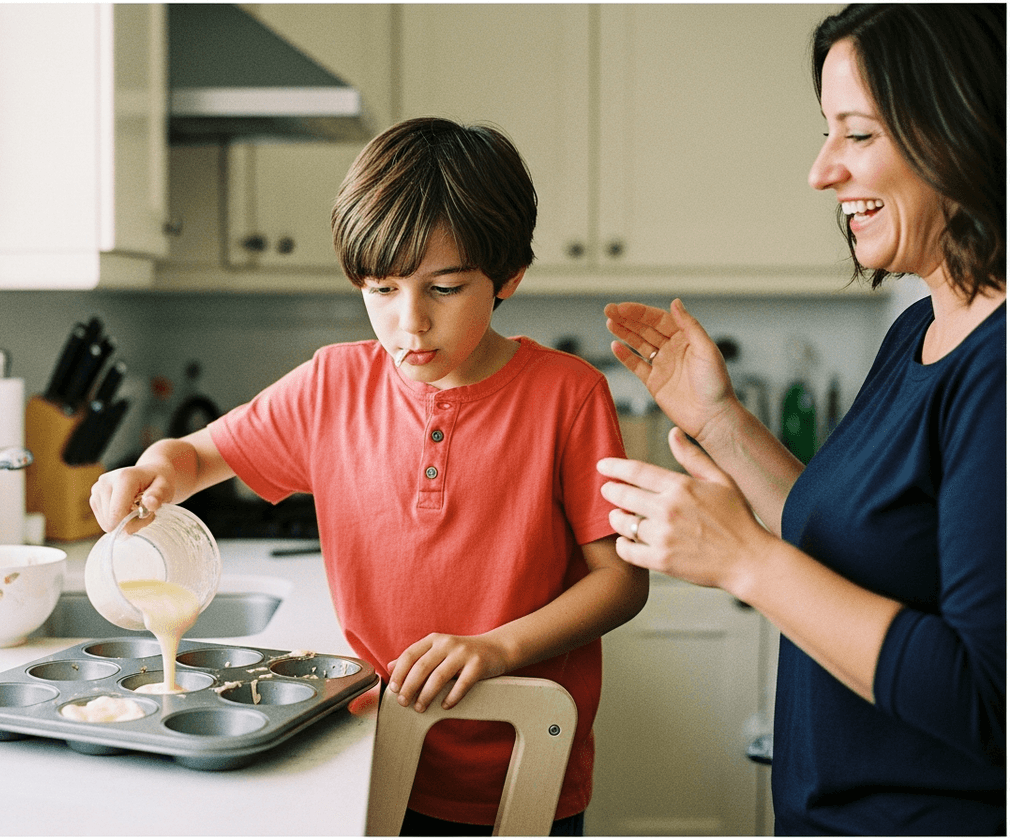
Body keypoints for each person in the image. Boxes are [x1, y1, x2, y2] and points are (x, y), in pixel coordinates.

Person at [90, 117, 649, 835]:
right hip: (365, 751)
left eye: (443, 288)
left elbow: (621, 581)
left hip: (517, 770)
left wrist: (495, 648)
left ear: (509, 275)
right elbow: (197, 457)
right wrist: (150, 467)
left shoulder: (567, 395)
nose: (408, 323)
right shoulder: (332, 384)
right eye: (381, 289)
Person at [596, 4, 1005, 834]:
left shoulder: (998, 373)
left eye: (857, 135)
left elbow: (985, 701)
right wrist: (718, 421)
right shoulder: (922, 328)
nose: (823, 172)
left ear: (960, 128)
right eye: (828, 133)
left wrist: (743, 561)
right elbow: (847, 532)